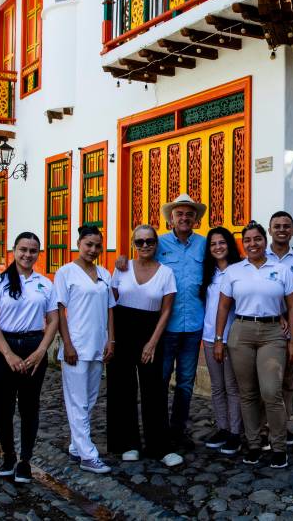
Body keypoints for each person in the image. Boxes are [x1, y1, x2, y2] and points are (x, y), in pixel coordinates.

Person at [116, 193, 207, 451]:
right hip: (164, 325)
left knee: (186, 382)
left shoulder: (203, 244)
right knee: (159, 381)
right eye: (179, 213)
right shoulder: (159, 243)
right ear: (171, 219)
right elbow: (139, 258)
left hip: (194, 324)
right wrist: (122, 258)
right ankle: (158, 431)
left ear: (195, 219)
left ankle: (178, 430)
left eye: (190, 213)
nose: (185, 217)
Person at [214, 221, 293, 468]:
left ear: (265, 240)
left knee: (271, 391)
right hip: (241, 331)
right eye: (248, 240)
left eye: (257, 239)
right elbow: (223, 307)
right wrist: (219, 339)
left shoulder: (281, 270)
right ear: (243, 244)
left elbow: (292, 305)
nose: (253, 244)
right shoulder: (234, 271)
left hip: (273, 332)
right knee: (247, 393)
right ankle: (253, 444)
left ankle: (279, 446)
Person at [0, 232, 58, 483]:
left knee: (29, 406)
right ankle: (8, 454)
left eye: (33, 250)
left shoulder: (45, 283)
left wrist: (41, 351)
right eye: (23, 249)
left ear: (39, 253)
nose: (27, 255)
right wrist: (7, 354)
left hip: (33, 345)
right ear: (13, 250)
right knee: (3, 406)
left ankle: (25, 460)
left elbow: (53, 320)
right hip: (5, 346)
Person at [107, 224, 183, 467]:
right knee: (123, 388)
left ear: (156, 243)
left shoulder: (166, 273)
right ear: (133, 243)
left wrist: (152, 342)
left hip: (151, 330)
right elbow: (111, 303)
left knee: (154, 388)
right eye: (139, 242)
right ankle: (128, 443)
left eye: (149, 241)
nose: (145, 246)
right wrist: (111, 337)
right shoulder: (122, 267)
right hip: (123, 328)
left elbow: (167, 309)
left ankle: (159, 446)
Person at [55, 225, 116, 474]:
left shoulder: (104, 273)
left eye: (97, 246)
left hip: (98, 345)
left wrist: (111, 340)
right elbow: (59, 311)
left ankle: (76, 445)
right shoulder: (66, 273)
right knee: (77, 401)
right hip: (76, 347)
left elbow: (110, 308)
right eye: (88, 244)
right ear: (78, 243)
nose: (93, 250)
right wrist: (66, 343)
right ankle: (88, 456)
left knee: (89, 400)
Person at [262, 211, 293, 448]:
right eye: (277, 226)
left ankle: (282, 428)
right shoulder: (259, 256)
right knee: (264, 382)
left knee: (287, 383)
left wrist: (284, 316)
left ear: (292, 230)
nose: (282, 229)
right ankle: (263, 428)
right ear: (269, 230)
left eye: (287, 226)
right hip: (264, 331)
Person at [200, 226, 243, 455]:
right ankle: (223, 428)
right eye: (213, 244)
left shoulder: (239, 270)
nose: (218, 247)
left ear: (229, 244)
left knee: (232, 386)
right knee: (217, 387)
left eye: (222, 242)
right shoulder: (208, 273)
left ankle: (236, 433)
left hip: (232, 337)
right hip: (209, 337)